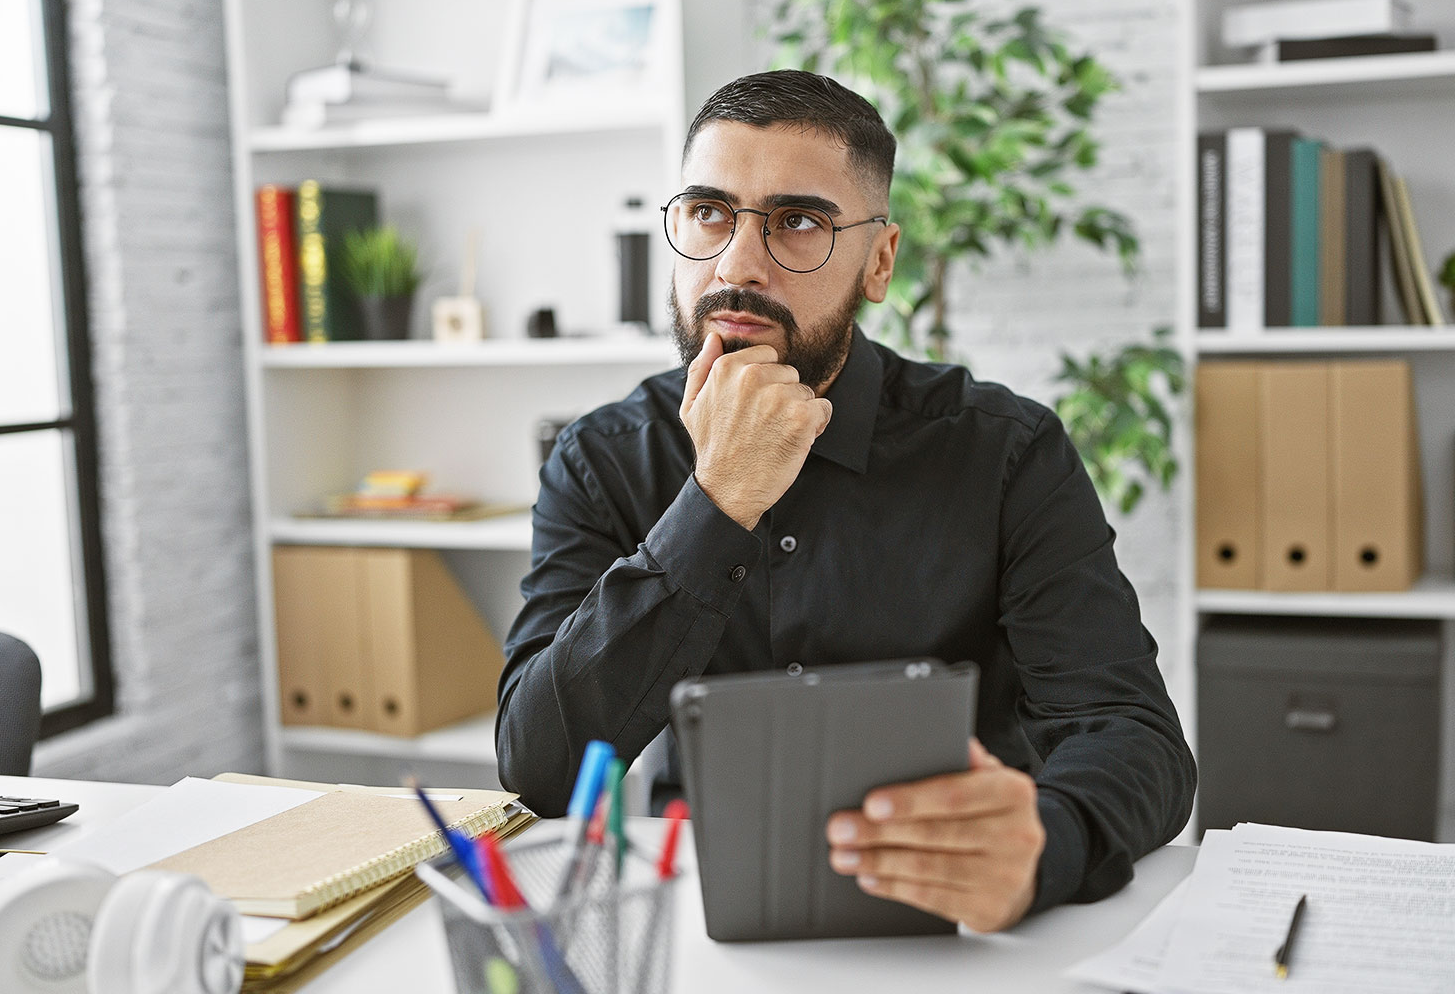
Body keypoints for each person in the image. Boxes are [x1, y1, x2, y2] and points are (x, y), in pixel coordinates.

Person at [498, 69, 1195, 933]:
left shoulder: (1007, 451)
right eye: (710, 213)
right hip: (700, 930)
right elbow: (539, 767)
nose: (737, 264)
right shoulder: (603, 458)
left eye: (797, 222)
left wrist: (1041, 847)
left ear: (880, 261)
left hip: (955, 933)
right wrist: (716, 502)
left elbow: (1135, 738)